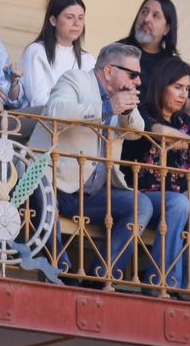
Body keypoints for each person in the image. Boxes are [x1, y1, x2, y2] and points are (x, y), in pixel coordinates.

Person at [32, 41, 148, 282]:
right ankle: (59, 270)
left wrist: (123, 111)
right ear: (109, 71)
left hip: (93, 194)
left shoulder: (120, 98)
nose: (138, 81)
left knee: (141, 205)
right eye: (133, 74)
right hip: (56, 184)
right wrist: (106, 107)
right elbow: (56, 111)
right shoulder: (75, 79)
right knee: (39, 184)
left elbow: (137, 130)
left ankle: (99, 276)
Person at [125, 55, 190, 292]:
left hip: (176, 201)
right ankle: (164, 283)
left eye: (187, 88)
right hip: (141, 196)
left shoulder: (183, 121)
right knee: (179, 203)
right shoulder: (142, 112)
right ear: (161, 84)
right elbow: (158, 131)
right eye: (177, 87)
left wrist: (188, 145)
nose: (183, 95)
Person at [21, 0, 94, 108]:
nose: (77, 23)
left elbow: (93, 104)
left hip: (79, 123)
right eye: (70, 17)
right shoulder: (36, 51)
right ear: (53, 20)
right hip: (43, 123)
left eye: (81, 18)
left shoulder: (88, 59)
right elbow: (38, 101)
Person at [119, 0, 179, 89]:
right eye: (144, 12)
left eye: (155, 16)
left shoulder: (173, 66)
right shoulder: (117, 51)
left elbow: (187, 102)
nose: (146, 19)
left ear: (167, 29)